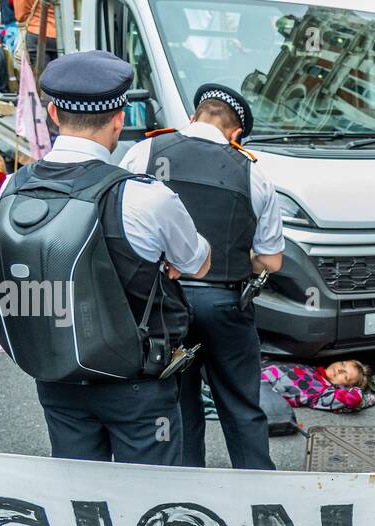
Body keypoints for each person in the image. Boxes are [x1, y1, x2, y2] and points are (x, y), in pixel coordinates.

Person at [0, 50, 211, 465]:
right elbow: (197, 262)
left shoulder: (13, 189)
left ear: (53, 114)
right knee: (149, 503)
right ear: (118, 118)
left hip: (55, 374)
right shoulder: (145, 196)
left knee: (79, 497)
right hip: (136, 383)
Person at [119, 82, 282, 471]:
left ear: (192, 117)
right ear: (236, 134)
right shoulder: (254, 174)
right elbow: (272, 262)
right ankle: (259, 490)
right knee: (242, 404)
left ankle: (188, 490)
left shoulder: (145, 152)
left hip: (160, 303)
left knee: (177, 402)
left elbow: (121, 225)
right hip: (225, 303)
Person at [261, 359, 375, 413]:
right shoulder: (311, 368)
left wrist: (365, 396)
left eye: (345, 376)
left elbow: (353, 398)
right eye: (343, 364)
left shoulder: (322, 392)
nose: (340, 369)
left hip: (256, 386)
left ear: (345, 387)